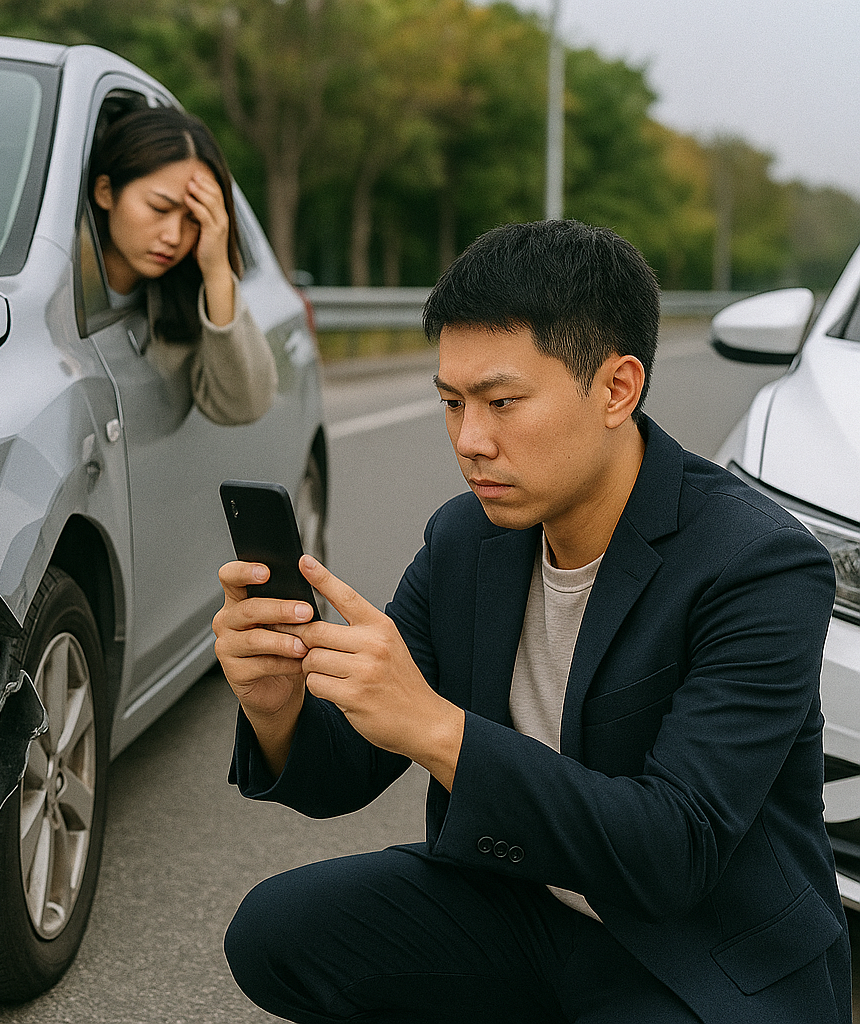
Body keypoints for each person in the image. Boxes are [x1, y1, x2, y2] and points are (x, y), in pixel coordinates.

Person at [212, 220, 850, 1023]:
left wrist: (440, 730)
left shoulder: (758, 563)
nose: (470, 440)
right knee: (276, 931)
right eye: (451, 402)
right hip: (516, 905)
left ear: (617, 388)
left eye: (503, 402)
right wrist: (275, 707)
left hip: (693, 951)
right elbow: (342, 773)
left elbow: (674, 851)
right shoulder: (465, 539)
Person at [89, 107, 276, 425]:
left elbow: (243, 406)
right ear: (106, 192)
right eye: (159, 207)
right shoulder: (54, 289)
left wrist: (216, 271)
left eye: (194, 220)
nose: (174, 237)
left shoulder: (181, 305)